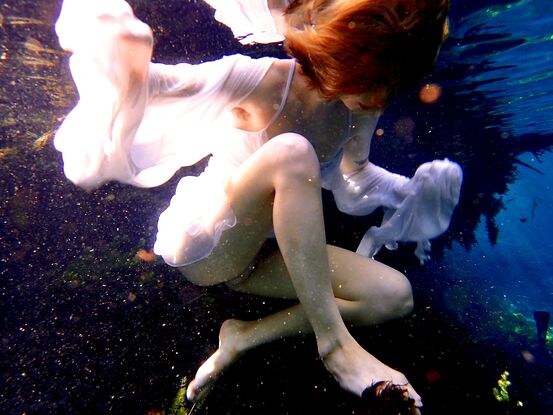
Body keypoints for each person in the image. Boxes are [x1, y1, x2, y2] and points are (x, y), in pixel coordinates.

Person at [53, 0, 462, 411]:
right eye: (377, 80)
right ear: (347, 53)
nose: (380, 97)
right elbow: (165, 88)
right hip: (210, 246)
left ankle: (243, 338)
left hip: (268, 254)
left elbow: (354, 180)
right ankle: (334, 342)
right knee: (292, 154)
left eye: (393, 86)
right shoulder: (263, 83)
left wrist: (410, 192)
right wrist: (123, 60)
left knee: (394, 295)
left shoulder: (361, 107)